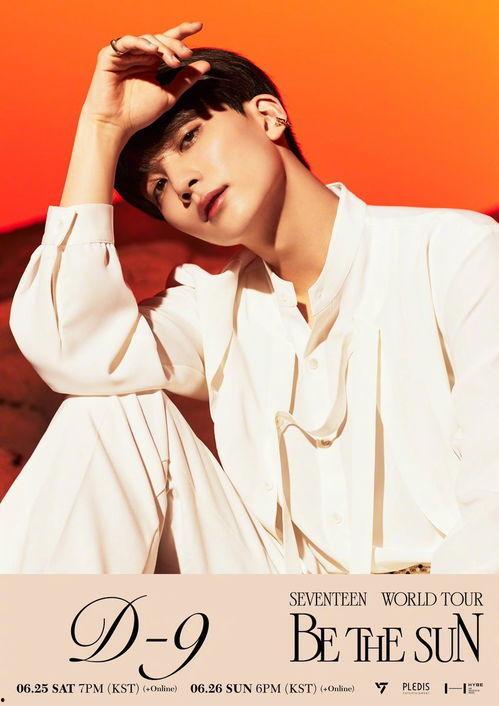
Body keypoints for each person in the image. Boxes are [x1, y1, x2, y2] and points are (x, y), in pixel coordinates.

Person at [1, 21, 498, 574]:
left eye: (189, 139)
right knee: (108, 411)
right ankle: (25, 627)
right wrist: (100, 127)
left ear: (268, 116)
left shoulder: (452, 252)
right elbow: (75, 350)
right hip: (285, 610)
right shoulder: (212, 309)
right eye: (159, 187)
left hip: (448, 610)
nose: (182, 183)